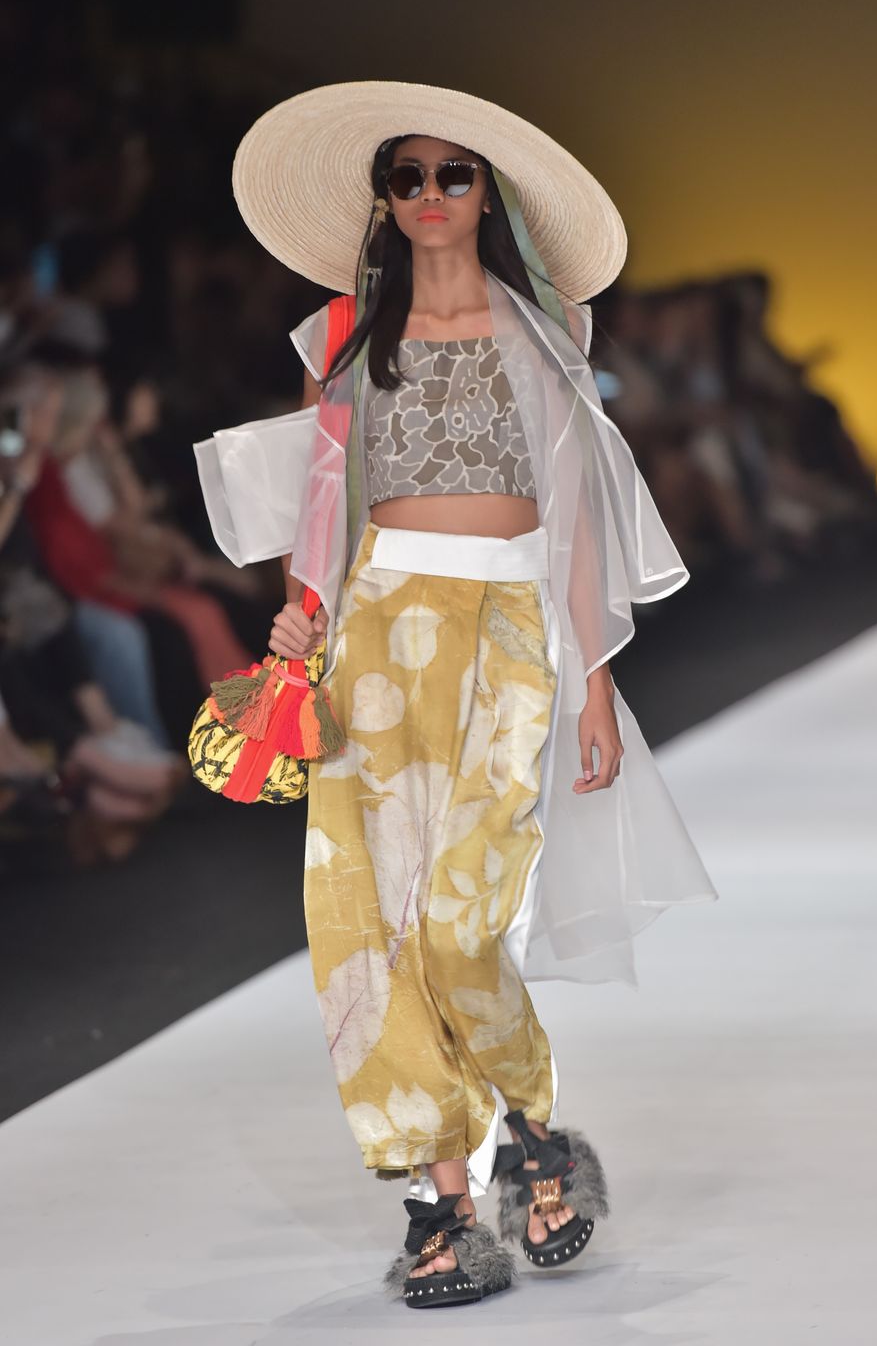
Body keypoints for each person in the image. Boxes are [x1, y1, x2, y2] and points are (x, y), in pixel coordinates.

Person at [197, 81, 719, 1309]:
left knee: (458, 922)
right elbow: (322, 501)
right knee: (368, 929)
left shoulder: (549, 328)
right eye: (408, 175)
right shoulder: (341, 336)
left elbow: (577, 512)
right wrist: (301, 616)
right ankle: (443, 1205)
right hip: (373, 633)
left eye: (453, 173)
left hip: (509, 630)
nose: (430, 194)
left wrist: (595, 681)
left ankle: (531, 1128)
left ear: (490, 193)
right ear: (384, 200)